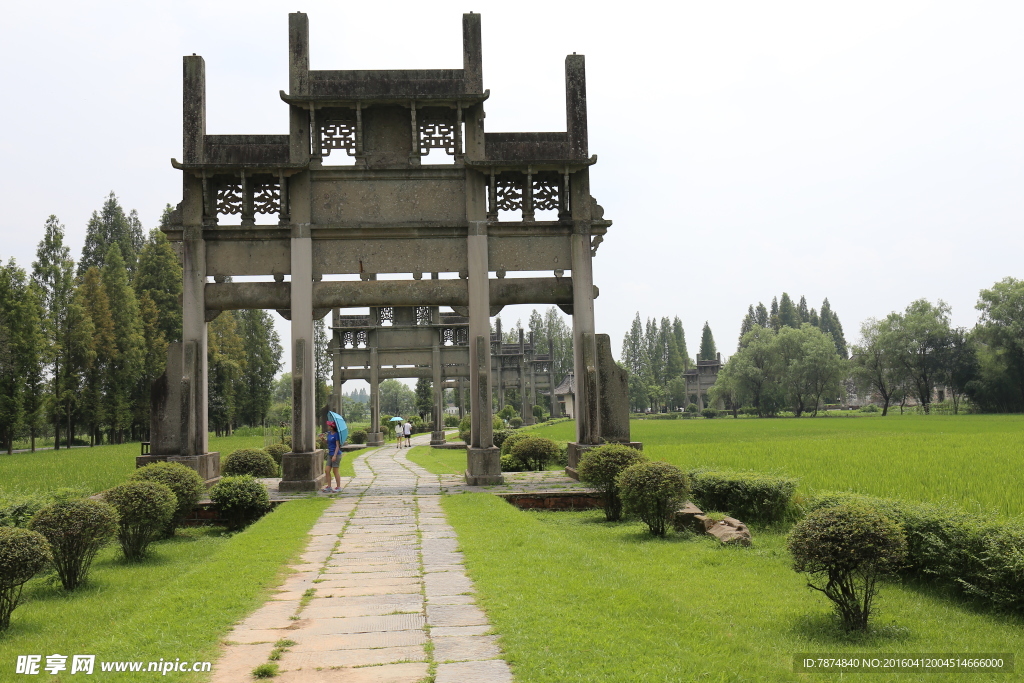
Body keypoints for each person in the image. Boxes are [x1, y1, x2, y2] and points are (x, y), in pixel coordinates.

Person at [322, 421, 342, 493]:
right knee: (327, 470)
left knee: (335, 471)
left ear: (332, 427)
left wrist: (335, 455)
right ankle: (329, 486)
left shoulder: (336, 435)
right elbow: (328, 442)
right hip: (330, 454)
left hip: (336, 454)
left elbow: (337, 446)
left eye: (329, 426)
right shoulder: (329, 434)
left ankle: (338, 487)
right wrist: (323, 439)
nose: (328, 427)